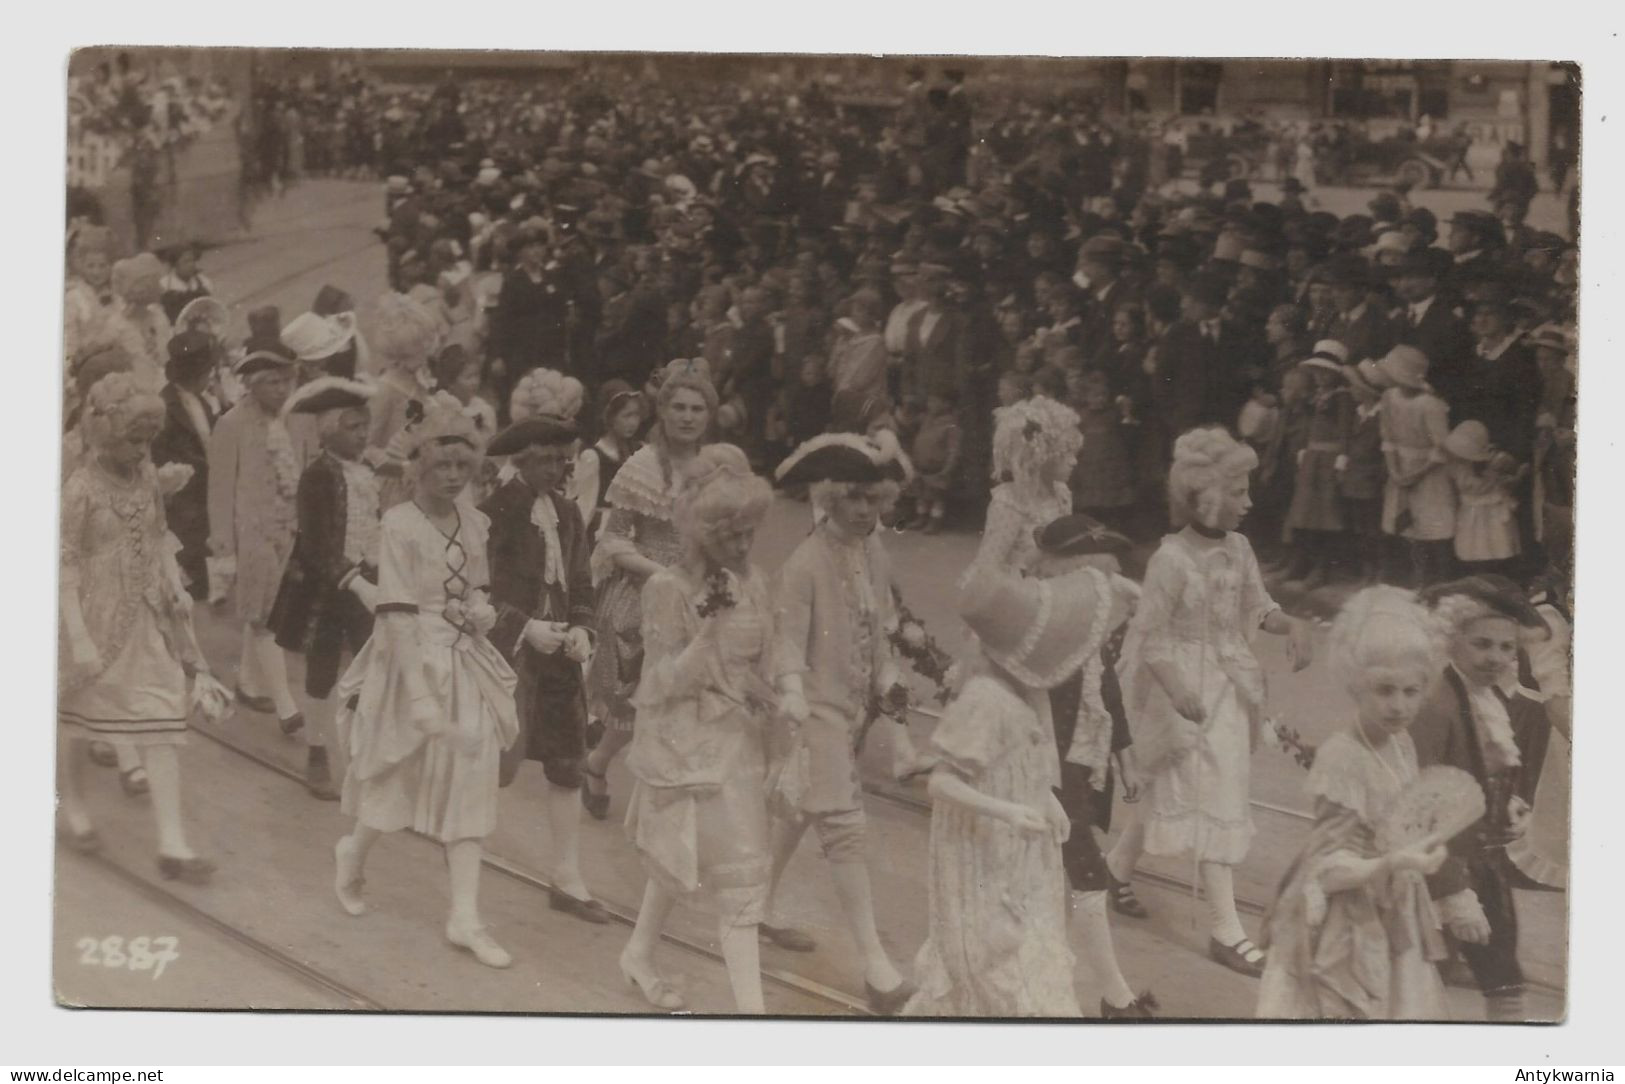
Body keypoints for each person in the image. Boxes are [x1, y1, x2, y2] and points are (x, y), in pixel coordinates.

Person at [1106, 426, 1314, 978]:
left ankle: (1115, 872)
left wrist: (1288, 623)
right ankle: (1226, 930)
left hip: (1228, 688)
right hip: (1179, 691)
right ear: (1202, 494)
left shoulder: (1238, 548)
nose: (1248, 503)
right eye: (1239, 491)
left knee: (1179, 789)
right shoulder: (1170, 561)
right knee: (1213, 796)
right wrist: (1176, 689)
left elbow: (1258, 605)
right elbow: (1148, 636)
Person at [328, 402, 521, 969]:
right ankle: (353, 852)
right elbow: (396, 613)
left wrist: (480, 611)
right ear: (419, 466)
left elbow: (476, 588)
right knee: (397, 775)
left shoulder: (475, 521)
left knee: (470, 782)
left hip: (464, 662)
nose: (454, 476)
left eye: (463, 466)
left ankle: (465, 917)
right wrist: (418, 694)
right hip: (409, 661)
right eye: (443, 466)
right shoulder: (401, 525)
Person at [905, 564, 1122, 1017]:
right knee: (995, 954)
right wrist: (1005, 811)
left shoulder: (1026, 694)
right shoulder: (986, 698)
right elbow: (941, 781)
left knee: (1027, 943)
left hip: (1019, 847)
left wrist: (1046, 798)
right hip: (980, 846)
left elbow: (1026, 762)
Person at [618, 444, 778, 1013]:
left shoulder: (753, 580)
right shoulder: (667, 588)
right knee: (727, 876)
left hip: (737, 746)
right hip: (687, 748)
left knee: (697, 863)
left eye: (748, 533)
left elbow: (758, 658)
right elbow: (660, 682)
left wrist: (768, 690)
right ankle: (753, 1017)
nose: (741, 546)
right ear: (702, 532)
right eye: (730, 535)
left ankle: (638, 952)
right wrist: (707, 633)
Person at [765, 432, 917, 1014]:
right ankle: (876, 968)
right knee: (844, 826)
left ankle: (759, 902)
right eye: (855, 499)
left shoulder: (872, 551)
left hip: (850, 710)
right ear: (828, 498)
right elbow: (785, 643)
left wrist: (887, 677)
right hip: (813, 711)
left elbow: (880, 623)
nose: (866, 512)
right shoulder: (804, 563)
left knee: (807, 808)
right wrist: (793, 694)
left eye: (875, 502)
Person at [1256, 586, 1452, 1020]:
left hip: (1395, 906)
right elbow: (1325, 869)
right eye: (1384, 690)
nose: (1398, 705)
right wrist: (1393, 863)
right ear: (1357, 686)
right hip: (1345, 919)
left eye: (1411, 691)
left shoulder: (1403, 743)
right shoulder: (1343, 757)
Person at [59, 373, 226, 882]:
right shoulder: (81, 488)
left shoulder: (147, 478)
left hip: (145, 618)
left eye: (147, 439)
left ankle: (173, 846)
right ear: (107, 431)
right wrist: (80, 638)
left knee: (162, 718)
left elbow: (157, 536)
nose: (142, 449)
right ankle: (74, 810)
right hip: (88, 622)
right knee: (77, 723)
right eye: (134, 438)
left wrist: (174, 586)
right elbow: (62, 563)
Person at [481, 413, 607, 925]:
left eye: (565, 458)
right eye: (550, 458)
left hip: (559, 653)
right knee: (494, 759)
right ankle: (460, 845)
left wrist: (582, 629)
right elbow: (479, 590)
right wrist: (522, 627)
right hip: (509, 652)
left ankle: (566, 876)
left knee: (568, 757)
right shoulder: (496, 512)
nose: (560, 467)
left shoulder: (570, 514)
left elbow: (580, 583)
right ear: (523, 458)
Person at [1031, 514, 1156, 1017]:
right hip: (1043, 770)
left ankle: (1096, 990)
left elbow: (1106, 690)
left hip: (1080, 766)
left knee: (1068, 871)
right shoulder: (1041, 634)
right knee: (1084, 872)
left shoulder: (1090, 632)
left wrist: (1126, 757)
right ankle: (1114, 995)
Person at [1413, 577, 1553, 1022]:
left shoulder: (1485, 694)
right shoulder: (1437, 702)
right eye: (1482, 645)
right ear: (1452, 641)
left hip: (1482, 860)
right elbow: (1421, 806)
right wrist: (1453, 889)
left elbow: (1482, 770)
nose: (1495, 658)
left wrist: (1506, 807)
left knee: (1503, 981)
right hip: (1441, 867)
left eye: (1506, 648)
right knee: (1420, 981)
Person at [582, 359, 716, 820]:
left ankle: (663, 799)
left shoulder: (716, 469)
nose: (687, 417)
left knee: (692, 699)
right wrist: (658, 573)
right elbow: (614, 538)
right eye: (677, 407)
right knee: (638, 702)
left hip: (698, 593)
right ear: (662, 411)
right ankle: (600, 762)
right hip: (644, 591)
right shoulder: (641, 465)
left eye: (697, 408)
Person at [267, 377, 381, 801]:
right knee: (322, 672)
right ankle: (317, 748)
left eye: (365, 425)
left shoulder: (365, 471)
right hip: (325, 591)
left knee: (370, 669)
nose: (363, 434)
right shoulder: (317, 475)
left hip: (365, 584)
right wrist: (352, 580)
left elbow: (372, 521)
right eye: (354, 427)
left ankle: (362, 753)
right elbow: (316, 545)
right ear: (329, 430)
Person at [207, 337, 319, 737]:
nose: (281, 390)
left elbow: (308, 472)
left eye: (286, 381)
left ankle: (249, 682)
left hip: (289, 528)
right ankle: (287, 706)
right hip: (250, 531)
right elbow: (219, 490)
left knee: (269, 609)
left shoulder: (299, 419)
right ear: (251, 385)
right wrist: (223, 547)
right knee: (265, 614)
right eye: (272, 382)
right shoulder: (232, 424)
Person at [969, 394, 1082, 576]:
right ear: (1040, 457)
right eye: (1067, 454)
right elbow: (988, 565)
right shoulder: (1010, 502)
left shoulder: (1061, 494)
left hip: (1054, 587)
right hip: (1018, 591)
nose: (1074, 462)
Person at [1375, 346, 1457, 587]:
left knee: (1434, 526)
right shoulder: (1389, 397)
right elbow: (1388, 438)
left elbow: (1442, 447)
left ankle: (1441, 583)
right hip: (1399, 468)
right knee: (1406, 526)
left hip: (1430, 472)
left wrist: (1416, 474)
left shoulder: (1430, 404)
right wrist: (1395, 472)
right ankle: (1415, 578)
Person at [1281, 343, 1354, 591]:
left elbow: (1344, 430)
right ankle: (1300, 562)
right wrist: (1303, 450)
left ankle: (1322, 568)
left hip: (1329, 459)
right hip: (1312, 457)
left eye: (1326, 372)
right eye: (1316, 371)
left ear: (1336, 373)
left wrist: (1342, 459)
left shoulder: (1342, 396)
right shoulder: (1315, 396)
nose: (1321, 376)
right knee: (1303, 513)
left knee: (1326, 516)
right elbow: (1309, 426)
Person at [151, 330, 217, 601]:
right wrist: (211, 468)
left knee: (202, 554)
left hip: (202, 493)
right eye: (206, 372)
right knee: (189, 556)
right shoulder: (166, 407)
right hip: (183, 497)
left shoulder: (200, 400)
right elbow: (169, 454)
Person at [1443, 421, 1524, 577]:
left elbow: (1510, 475)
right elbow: (1463, 487)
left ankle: (1496, 576)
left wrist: (1511, 476)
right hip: (1470, 511)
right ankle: (1478, 576)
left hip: (1491, 510)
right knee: (1473, 547)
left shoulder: (1496, 461)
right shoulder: (1457, 466)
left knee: (1496, 545)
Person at [571, 380, 643, 543]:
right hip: (604, 533)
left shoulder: (639, 451)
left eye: (636, 415)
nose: (633, 422)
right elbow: (585, 506)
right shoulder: (593, 456)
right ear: (609, 417)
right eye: (626, 416)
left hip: (634, 529)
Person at [901, 389, 962, 533]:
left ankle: (935, 521)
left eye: (934, 401)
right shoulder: (926, 418)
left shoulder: (951, 424)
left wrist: (948, 469)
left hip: (939, 468)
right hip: (921, 465)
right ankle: (921, 518)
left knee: (937, 497)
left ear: (946, 404)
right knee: (921, 494)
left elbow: (954, 450)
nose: (930, 404)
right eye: (929, 401)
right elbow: (907, 422)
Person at [159, 245, 214, 327]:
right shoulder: (164, 285)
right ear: (175, 265)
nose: (191, 265)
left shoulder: (203, 281)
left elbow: (212, 308)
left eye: (192, 261)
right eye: (186, 262)